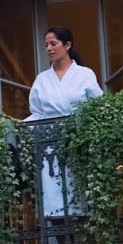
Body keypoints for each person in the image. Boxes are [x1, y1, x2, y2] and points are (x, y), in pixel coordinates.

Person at [26, 26, 102, 227]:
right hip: (50, 149)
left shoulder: (85, 74)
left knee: (81, 198)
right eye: (46, 45)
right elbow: (38, 113)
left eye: (53, 43)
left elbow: (98, 107)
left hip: (79, 144)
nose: (49, 48)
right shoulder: (42, 79)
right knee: (55, 202)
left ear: (67, 45)